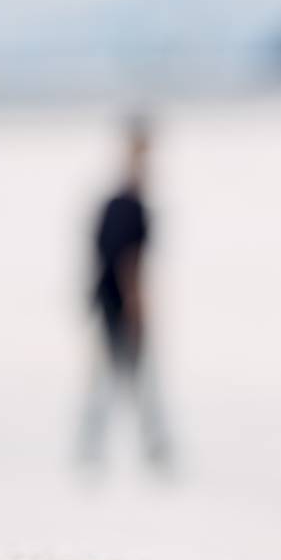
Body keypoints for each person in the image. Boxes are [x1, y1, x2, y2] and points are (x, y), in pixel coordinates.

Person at [76, 113, 172, 469]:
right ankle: (148, 447)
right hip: (119, 305)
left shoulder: (120, 203)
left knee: (120, 378)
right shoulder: (128, 206)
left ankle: (136, 446)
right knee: (126, 377)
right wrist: (136, 305)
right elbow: (126, 260)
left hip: (108, 302)